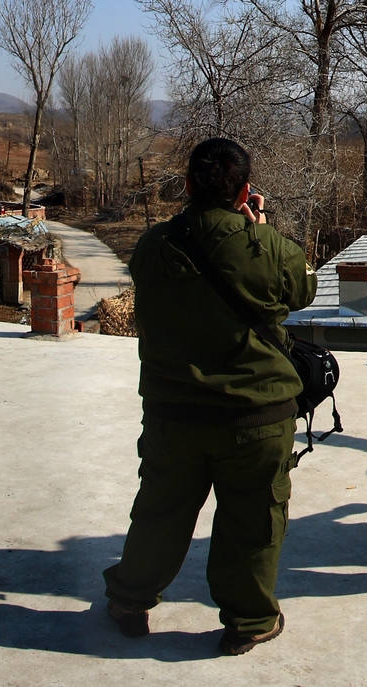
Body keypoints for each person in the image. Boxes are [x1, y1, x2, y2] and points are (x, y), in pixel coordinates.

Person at [102, 137, 316, 656]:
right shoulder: (266, 246)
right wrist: (257, 231)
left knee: (159, 512)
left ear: (187, 186)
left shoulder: (153, 246)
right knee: (253, 521)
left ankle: (130, 600)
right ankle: (249, 619)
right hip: (257, 416)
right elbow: (300, 292)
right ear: (245, 190)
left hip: (173, 415)